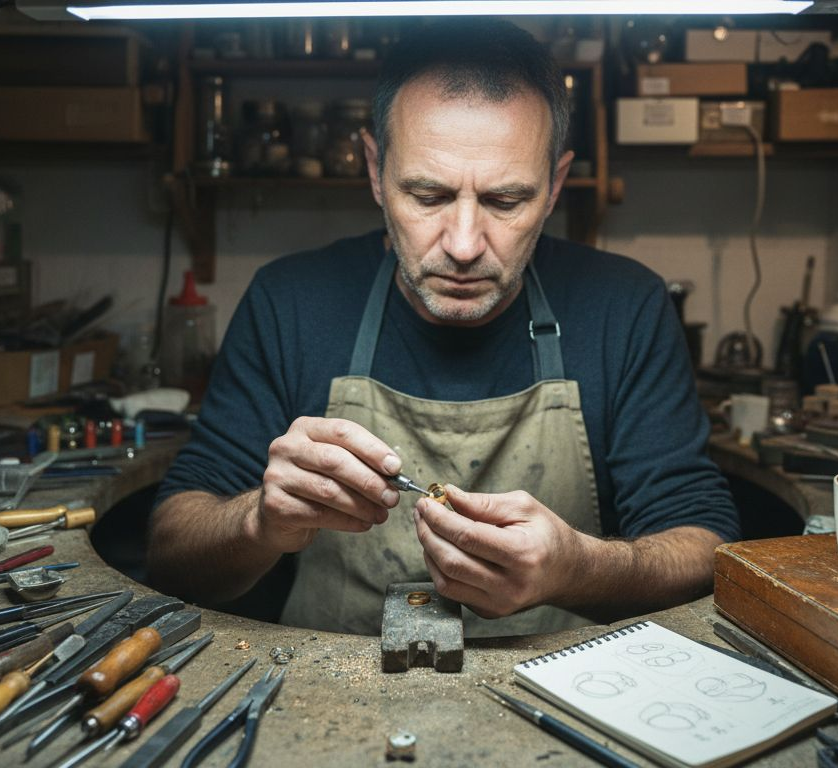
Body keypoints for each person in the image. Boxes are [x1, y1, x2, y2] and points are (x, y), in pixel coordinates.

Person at [149, 19, 740, 637]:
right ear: (375, 172)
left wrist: (578, 568)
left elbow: (704, 552)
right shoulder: (289, 301)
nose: (463, 246)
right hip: (324, 698)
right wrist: (257, 522)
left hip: (566, 699)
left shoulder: (624, 306)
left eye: (506, 201)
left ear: (556, 185)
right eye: (427, 196)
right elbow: (173, 555)